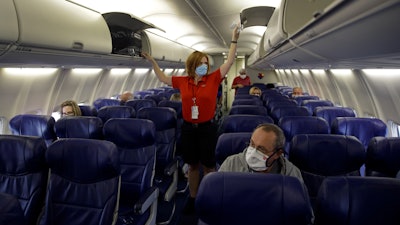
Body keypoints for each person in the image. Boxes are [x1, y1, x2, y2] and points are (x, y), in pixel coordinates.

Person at [142, 25, 240, 214]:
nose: (205, 66)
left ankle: (211, 197)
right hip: (188, 128)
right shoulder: (183, 81)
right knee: (193, 166)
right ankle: (193, 197)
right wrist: (153, 61)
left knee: (209, 166)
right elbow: (162, 78)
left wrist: (234, 39)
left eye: (206, 63)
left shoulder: (213, 78)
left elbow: (229, 61)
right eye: (201, 63)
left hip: (207, 128)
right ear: (193, 65)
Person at [218, 123, 303, 182]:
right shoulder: (231, 164)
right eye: (252, 144)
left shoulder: (291, 174)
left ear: (277, 154)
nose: (253, 152)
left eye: (261, 149)